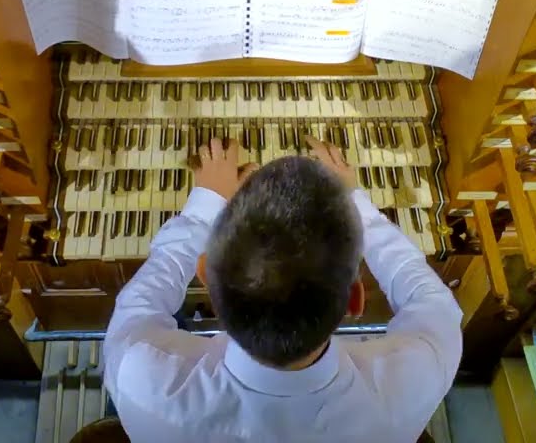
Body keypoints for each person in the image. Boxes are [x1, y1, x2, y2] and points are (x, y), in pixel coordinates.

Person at [99, 135, 464, 443]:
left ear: (205, 278)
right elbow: (432, 303)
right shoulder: (416, 380)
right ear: (355, 298)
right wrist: (352, 203)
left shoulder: (141, 377)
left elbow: (142, 302)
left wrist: (206, 202)